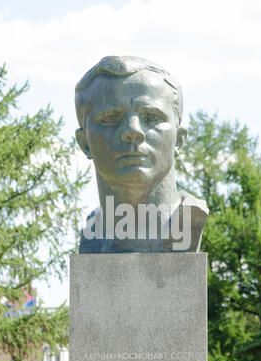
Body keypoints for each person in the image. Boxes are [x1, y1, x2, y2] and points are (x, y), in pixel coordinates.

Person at [75, 56, 208, 253]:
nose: (133, 131)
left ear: (179, 139)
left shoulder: (189, 221)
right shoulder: (92, 237)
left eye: (151, 117)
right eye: (110, 118)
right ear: (85, 143)